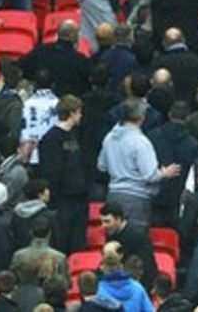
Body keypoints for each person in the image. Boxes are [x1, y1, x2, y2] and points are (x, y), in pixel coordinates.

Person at [97, 99, 180, 230]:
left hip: (113, 195)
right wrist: (165, 173)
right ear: (142, 117)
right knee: (134, 243)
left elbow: (102, 166)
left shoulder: (109, 138)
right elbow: (150, 176)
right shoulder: (141, 142)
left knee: (113, 243)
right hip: (136, 200)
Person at [37, 94, 87, 253]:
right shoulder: (51, 139)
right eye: (79, 112)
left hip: (79, 198)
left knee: (78, 243)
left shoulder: (74, 135)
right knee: (63, 242)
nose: (81, 116)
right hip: (62, 200)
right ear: (72, 113)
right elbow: (51, 171)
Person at [98, 202, 158, 290]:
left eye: (107, 221)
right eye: (102, 222)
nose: (103, 226)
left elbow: (148, 268)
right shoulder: (110, 233)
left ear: (118, 219)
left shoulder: (137, 236)